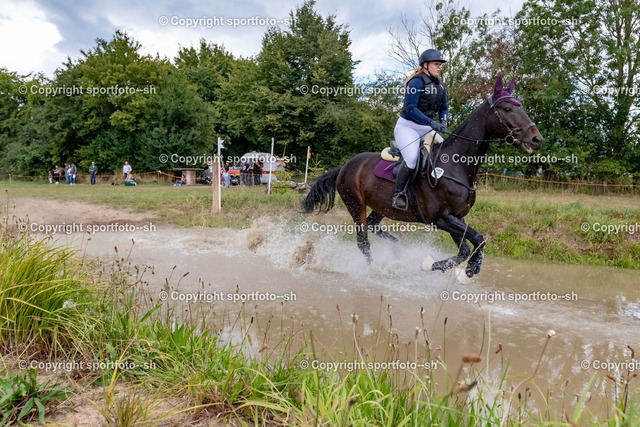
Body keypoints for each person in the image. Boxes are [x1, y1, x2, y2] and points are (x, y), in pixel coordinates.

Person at [392, 48, 449, 211]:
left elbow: (444, 108)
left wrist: (443, 122)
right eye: (436, 64)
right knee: (411, 158)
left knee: (446, 153)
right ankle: (398, 194)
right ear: (425, 65)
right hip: (408, 126)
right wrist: (431, 122)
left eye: (440, 65)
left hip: (427, 127)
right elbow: (410, 108)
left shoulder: (441, 86)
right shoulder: (416, 82)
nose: (439, 67)